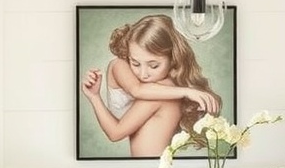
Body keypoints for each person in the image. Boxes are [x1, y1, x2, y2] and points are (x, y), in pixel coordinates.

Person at [81, 14, 221, 157]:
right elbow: (137, 90)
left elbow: (115, 132)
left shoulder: (162, 89)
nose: (143, 74)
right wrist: (94, 96)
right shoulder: (120, 65)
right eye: (135, 63)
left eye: (153, 66)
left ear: (173, 59)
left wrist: (94, 98)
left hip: (152, 167)